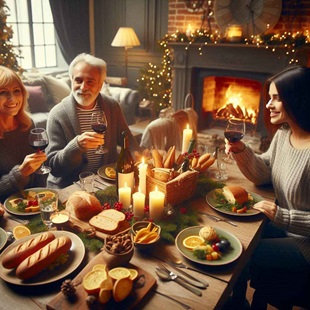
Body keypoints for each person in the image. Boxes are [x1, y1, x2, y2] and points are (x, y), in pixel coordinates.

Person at [225, 66, 310, 309]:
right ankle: (237, 302)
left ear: (296, 98)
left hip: (305, 244)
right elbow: (264, 173)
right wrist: (241, 151)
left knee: (237, 255)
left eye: (275, 98)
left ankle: (234, 304)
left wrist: (283, 216)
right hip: (284, 227)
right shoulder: (285, 134)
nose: (267, 105)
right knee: (235, 234)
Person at [46, 53, 140, 189]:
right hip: (70, 186)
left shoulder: (112, 106)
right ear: (71, 80)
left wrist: (140, 157)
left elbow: (127, 139)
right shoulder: (58, 114)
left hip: (106, 183)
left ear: (100, 85)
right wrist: (76, 147)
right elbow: (53, 167)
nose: (83, 87)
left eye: (90, 81)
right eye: (78, 80)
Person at [0, 66, 47, 202]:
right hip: (7, 211)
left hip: (34, 204)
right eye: (3, 92)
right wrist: (21, 173)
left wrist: (41, 201)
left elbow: (39, 175)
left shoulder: (27, 124)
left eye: (16, 91)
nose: (12, 98)